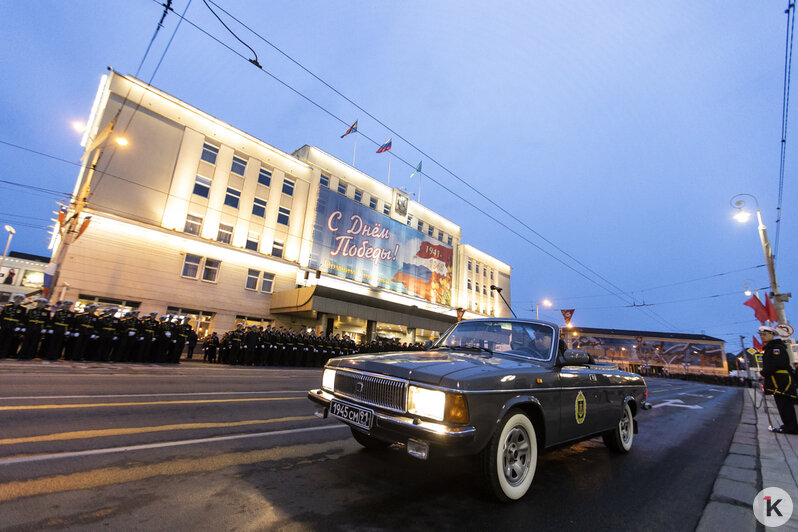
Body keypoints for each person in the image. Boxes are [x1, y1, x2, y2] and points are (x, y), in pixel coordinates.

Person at [759, 325, 798, 434]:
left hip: (780, 381)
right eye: (761, 335)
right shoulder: (771, 347)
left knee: (785, 404)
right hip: (777, 380)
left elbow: (777, 364)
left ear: (772, 335)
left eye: (765, 334)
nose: (762, 337)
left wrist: (762, 373)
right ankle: (788, 425)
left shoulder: (777, 348)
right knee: (782, 404)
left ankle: (791, 427)